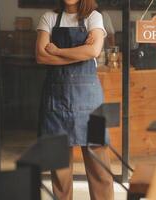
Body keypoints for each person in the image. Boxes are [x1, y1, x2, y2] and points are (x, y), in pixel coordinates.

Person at [36, 0, 113, 199]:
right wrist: (79, 53)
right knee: (59, 171)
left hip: (89, 100)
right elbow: (41, 56)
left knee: (100, 169)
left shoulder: (94, 17)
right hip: (56, 100)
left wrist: (58, 51)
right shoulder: (49, 17)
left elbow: (93, 51)